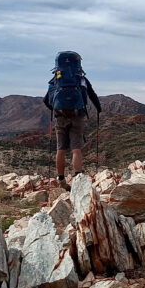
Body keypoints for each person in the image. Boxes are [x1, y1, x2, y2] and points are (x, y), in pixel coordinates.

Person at [43, 51, 102, 190]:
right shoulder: (81, 79)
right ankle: (77, 179)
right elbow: (92, 95)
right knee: (76, 149)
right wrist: (98, 109)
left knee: (61, 149)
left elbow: (46, 100)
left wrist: (56, 110)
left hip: (60, 116)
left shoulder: (55, 79)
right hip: (77, 115)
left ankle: (61, 180)